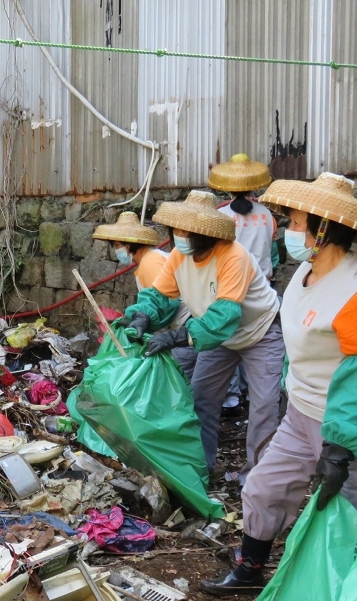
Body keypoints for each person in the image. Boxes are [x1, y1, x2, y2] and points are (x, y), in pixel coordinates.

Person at [201, 172, 357, 595]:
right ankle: (250, 571)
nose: (289, 231)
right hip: (302, 412)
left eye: (294, 222)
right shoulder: (304, 272)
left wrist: (342, 444)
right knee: (264, 487)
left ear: (323, 229)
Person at [121, 190, 284, 478]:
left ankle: (257, 481)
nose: (180, 236)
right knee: (201, 402)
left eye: (188, 231)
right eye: (177, 230)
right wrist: (142, 317)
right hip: (217, 339)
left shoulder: (233, 256)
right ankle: (201, 469)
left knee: (263, 409)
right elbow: (159, 295)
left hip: (260, 331)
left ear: (205, 233)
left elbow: (224, 316)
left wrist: (175, 337)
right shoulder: (177, 257)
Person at [209, 153, 278, 417]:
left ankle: (231, 397)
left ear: (226, 187)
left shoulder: (219, 216)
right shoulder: (267, 215)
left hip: (229, 286)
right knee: (257, 343)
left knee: (229, 340)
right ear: (253, 186)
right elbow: (272, 252)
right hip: (263, 289)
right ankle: (254, 393)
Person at [95, 212, 195, 377]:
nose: (116, 250)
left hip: (186, 327)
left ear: (129, 245)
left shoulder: (150, 263)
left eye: (117, 245)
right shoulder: (150, 260)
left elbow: (166, 301)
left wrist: (144, 321)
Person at [209, 153, 277, 279]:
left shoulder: (222, 214)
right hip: (263, 281)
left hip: (233, 280)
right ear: (251, 188)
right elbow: (272, 248)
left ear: (228, 188)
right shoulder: (266, 213)